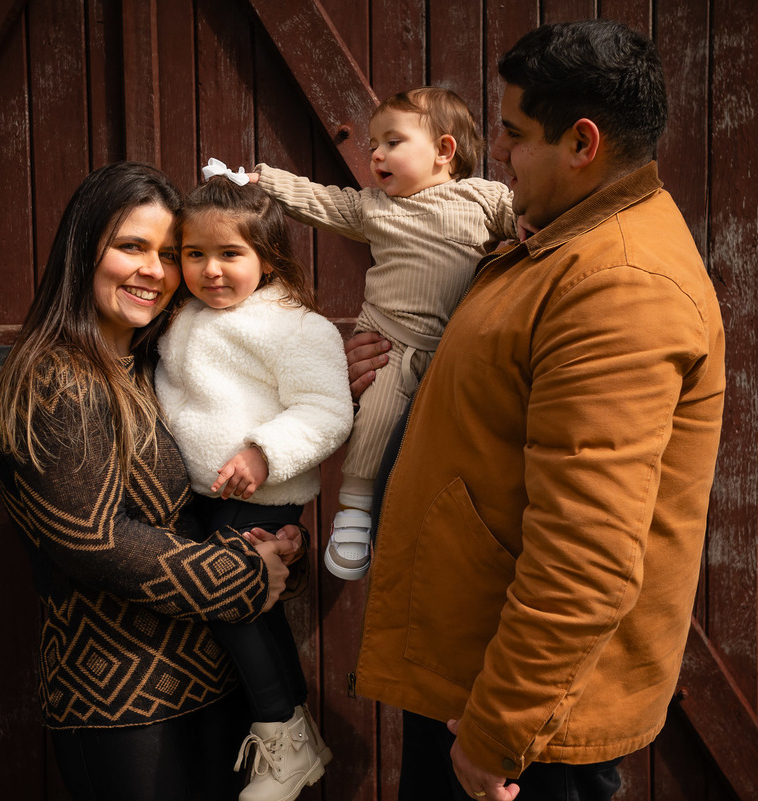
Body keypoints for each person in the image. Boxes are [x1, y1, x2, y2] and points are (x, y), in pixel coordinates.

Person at [351, 19, 726, 801]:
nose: (497, 150)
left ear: (583, 143)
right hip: (477, 679)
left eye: (514, 133)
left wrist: (500, 730)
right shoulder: (563, 239)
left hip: (522, 729)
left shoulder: (619, 285)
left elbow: (585, 553)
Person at [0, 161, 302, 801]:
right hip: (121, 707)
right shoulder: (55, 377)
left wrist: (271, 548)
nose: (155, 270)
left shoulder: (150, 366)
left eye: (167, 253)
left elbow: (188, 518)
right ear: (83, 251)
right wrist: (245, 577)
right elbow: (91, 542)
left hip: (207, 684)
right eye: (132, 246)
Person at [246, 86, 518, 581]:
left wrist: (534, 228)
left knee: (457, 439)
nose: (375, 154)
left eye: (392, 142)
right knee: (375, 415)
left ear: (443, 150)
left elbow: (531, 223)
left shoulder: (485, 198)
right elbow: (321, 201)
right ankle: (354, 512)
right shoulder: (375, 208)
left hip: (455, 349)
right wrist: (265, 180)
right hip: (390, 342)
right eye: (373, 143)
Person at [155, 162, 354, 801]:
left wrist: (265, 454)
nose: (212, 269)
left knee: (232, 609)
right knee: (253, 616)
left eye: (230, 254)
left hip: (261, 497)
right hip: (208, 496)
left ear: (266, 258)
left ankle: (282, 734)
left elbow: (327, 412)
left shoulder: (293, 326)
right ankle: (298, 733)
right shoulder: (181, 317)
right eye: (195, 254)